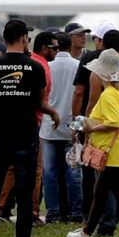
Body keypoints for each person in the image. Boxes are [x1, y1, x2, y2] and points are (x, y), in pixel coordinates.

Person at [0, 19, 59, 237]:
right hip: (25, 138)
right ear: (23, 38)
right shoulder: (35, 68)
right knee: (24, 195)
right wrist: (52, 111)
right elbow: (39, 101)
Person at [67, 49, 119, 237]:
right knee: (103, 193)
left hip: (111, 152)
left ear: (101, 73)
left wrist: (90, 129)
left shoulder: (109, 94)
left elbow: (114, 122)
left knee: (113, 194)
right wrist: (87, 123)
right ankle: (88, 233)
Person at [39, 30, 84, 224]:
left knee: (50, 174)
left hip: (49, 127)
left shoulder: (47, 67)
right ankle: (76, 213)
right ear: (70, 46)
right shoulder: (78, 66)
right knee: (74, 172)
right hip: (72, 126)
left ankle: (53, 213)